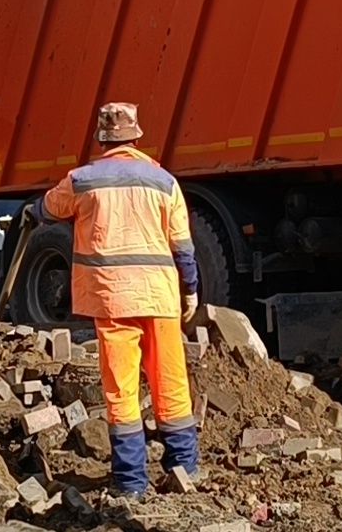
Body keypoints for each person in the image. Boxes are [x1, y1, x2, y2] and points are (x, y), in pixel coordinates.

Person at [34, 102, 199, 497]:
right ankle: (185, 471)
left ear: (102, 139)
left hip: (112, 300)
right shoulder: (164, 182)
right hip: (160, 299)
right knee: (171, 383)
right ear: (137, 137)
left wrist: (30, 211)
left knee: (122, 390)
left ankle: (131, 483)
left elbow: (48, 208)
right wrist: (190, 289)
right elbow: (184, 246)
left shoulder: (83, 180)